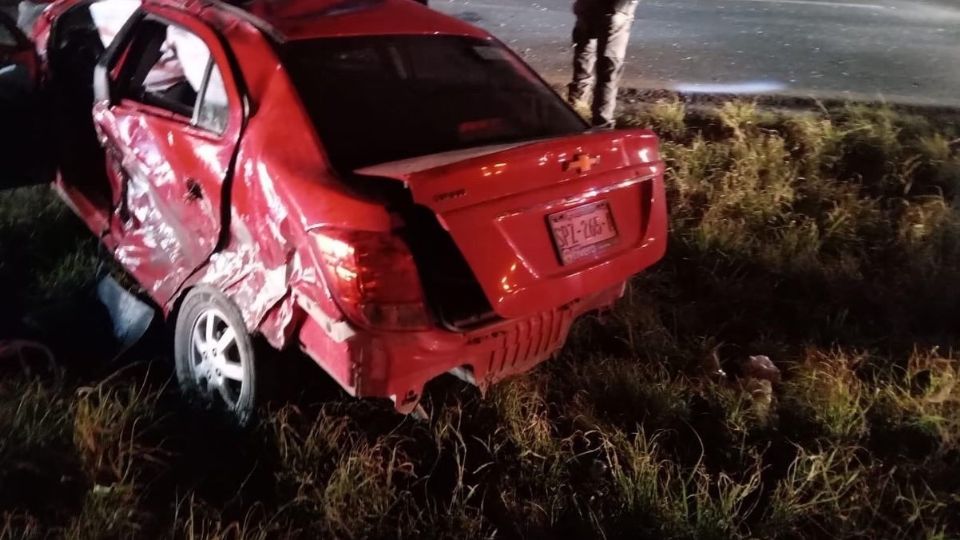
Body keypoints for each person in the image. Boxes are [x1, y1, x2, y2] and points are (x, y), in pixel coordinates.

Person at [567, 0, 639, 129]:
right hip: (616, 11)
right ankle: (602, 124)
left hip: (587, 9)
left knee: (583, 64)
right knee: (608, 73)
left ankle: (572, 114)